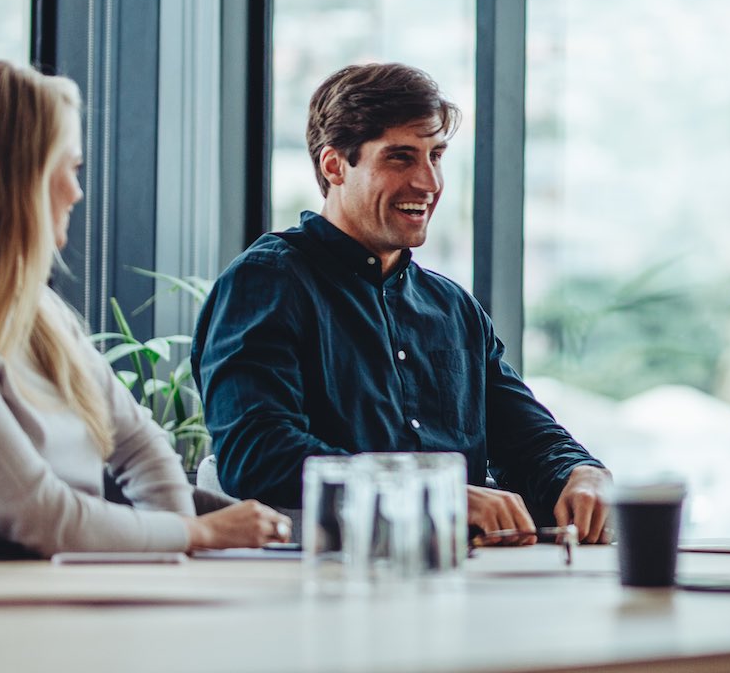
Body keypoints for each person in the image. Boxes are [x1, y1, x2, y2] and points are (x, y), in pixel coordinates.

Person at [0, 61, 287, 556]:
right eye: (70, 168)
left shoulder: (36, 311)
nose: (77, 191)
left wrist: (175, 552)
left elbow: (139, 444)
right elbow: (39, 516)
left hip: (68, 584)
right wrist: (197, 533)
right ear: (18, 182)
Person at [194, 63, 612, 543]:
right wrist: (433, 493)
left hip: (463, 581)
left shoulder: (452, 307)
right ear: (335, 166)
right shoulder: (267, 282)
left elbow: (528, 438)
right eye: (400, 158)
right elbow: (258, 455)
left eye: (436, 156)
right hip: (320, 585)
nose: (429, 183)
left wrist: (581, 472)